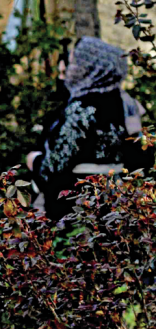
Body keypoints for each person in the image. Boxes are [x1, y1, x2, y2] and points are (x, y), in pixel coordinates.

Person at [32, 36, 146, 220]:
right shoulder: (126, 104)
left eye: (74, 63)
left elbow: (54, 167)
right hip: (117, 209)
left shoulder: (81, 109)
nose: (68, 69)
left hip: (78, 212)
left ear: (90, 68)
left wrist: (35, 161)